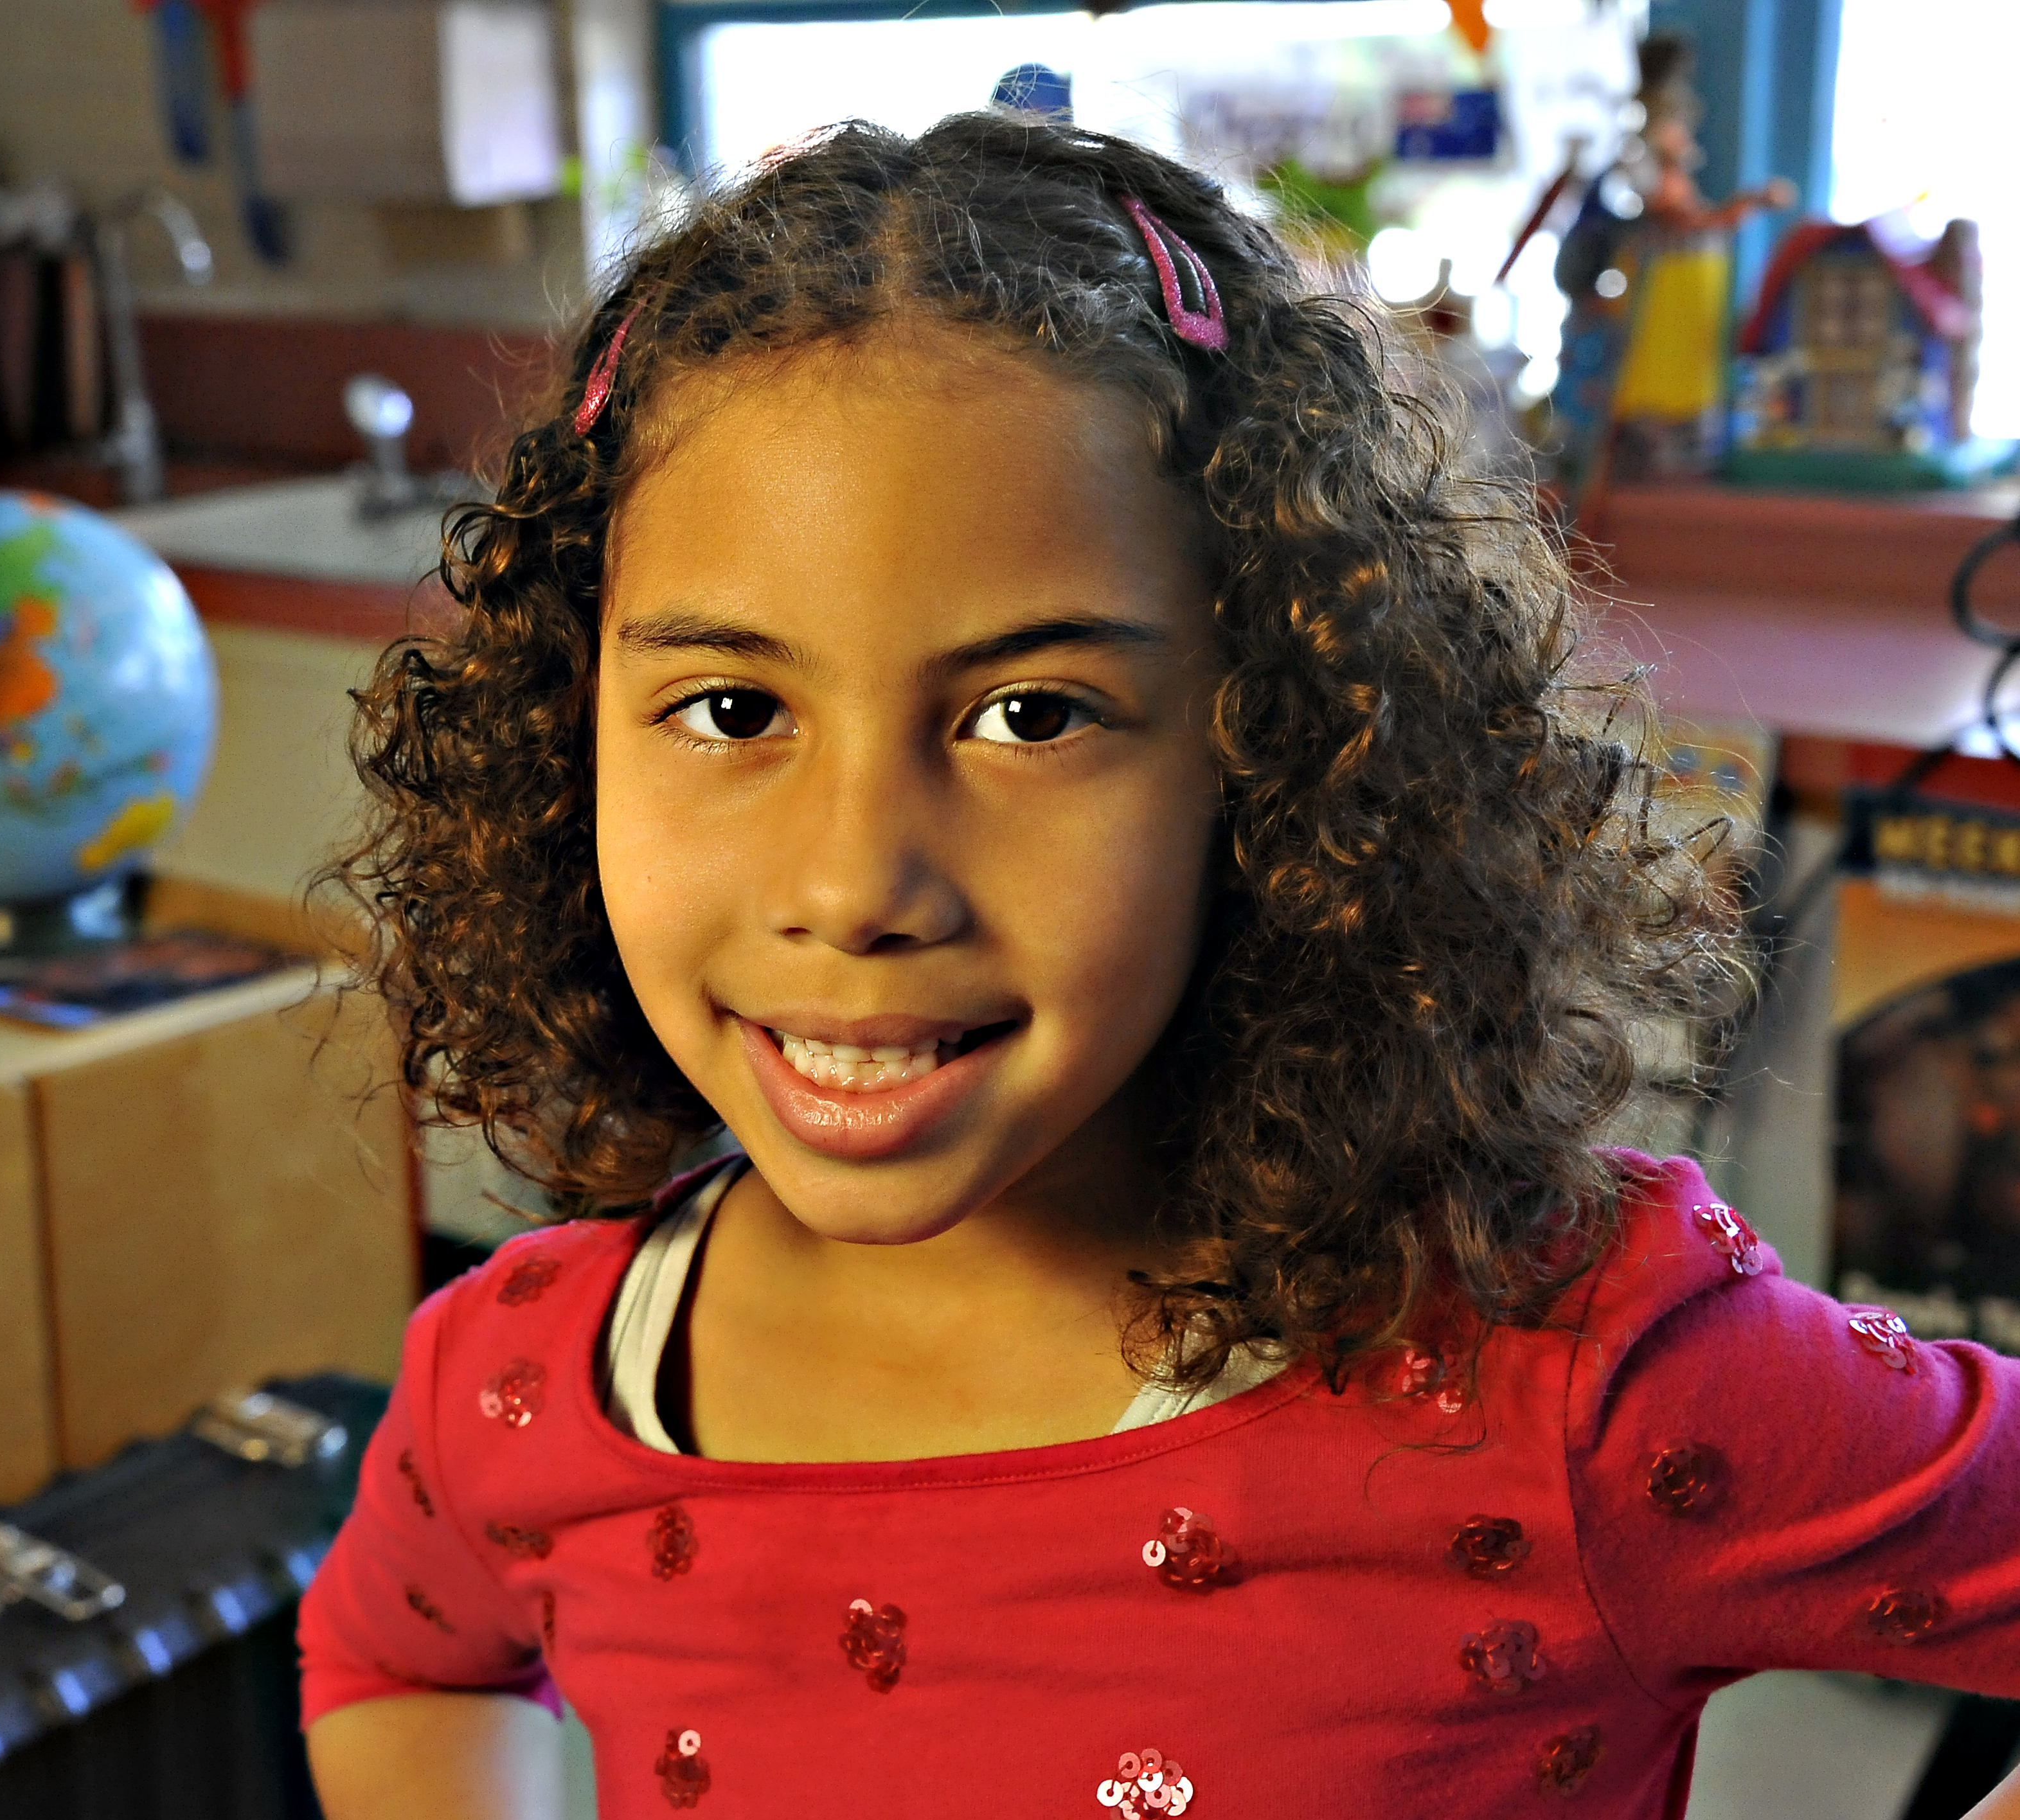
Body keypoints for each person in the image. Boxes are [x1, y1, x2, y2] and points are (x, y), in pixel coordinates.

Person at [298, 116, 2020, 1820]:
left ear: (1275, 754)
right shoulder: (526, 1377)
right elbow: (394, 1659)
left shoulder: (1563, 1374)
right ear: (568, 732)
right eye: (732, 710)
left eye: (1029, 716)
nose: (853, 884)